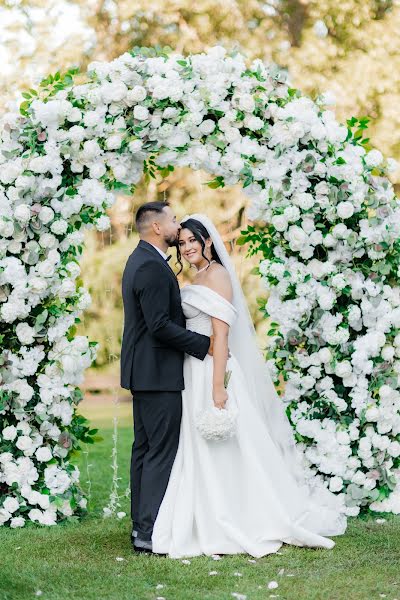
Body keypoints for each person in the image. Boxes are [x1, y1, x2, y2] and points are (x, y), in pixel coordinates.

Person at [151, 213, 347, 558]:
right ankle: (205, 513)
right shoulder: (195, 277)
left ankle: (243, 514)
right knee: (199, 444)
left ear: (207, 241)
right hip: (191, 369)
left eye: (193, 241)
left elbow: (221, 335)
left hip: (214, 370)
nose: (187, 248)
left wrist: (217, 387)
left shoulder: (219, 276)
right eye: (181, 243)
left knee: (232, 445)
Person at [120, 202, 212, 553]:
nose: (177, 225)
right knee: (159, 451)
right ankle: (148, 530)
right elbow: (159, 326)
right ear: (157, 227)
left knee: (144, 450)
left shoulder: (140, 260)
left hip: (144, 372)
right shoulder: (152, 268)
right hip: (157, 373)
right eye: (173, 220)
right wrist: (205, 345)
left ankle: (140, 526)